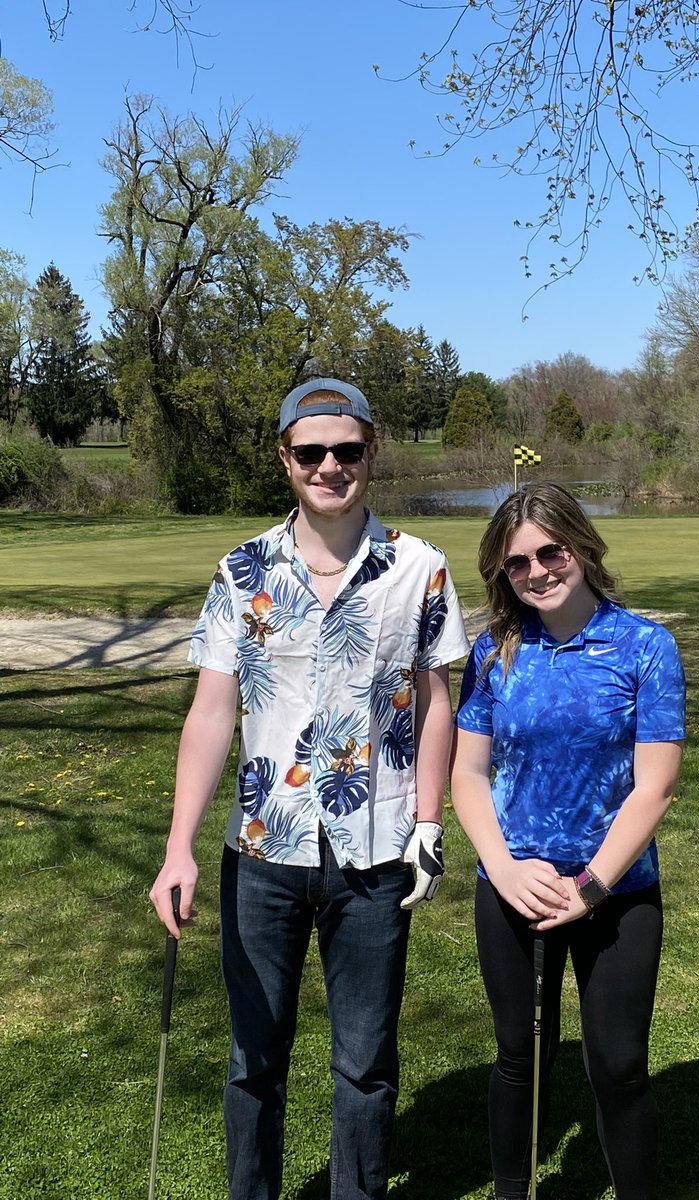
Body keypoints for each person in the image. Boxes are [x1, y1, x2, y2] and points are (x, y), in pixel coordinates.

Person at [149, 377, 470, 1200]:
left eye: (348, 450)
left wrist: (431, 822)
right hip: (261, 852)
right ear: (285, 458)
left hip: (376, 853)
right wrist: (177, 848)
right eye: (311, 452)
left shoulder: (419, 568)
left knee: (365, 1064)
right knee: (253, 1059)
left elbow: (437, 703)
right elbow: (212, 712)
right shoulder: (242, 569)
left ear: (371, 454)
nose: (331, 467)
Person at [451, 481, 685, 1200]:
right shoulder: (494, 652)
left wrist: (590, 889)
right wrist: (504, 868)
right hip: (513, 886)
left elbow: (655, 787)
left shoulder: (645, 647)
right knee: (521, 1056)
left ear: (581, 546)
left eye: (549, 552)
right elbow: (466, 771)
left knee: (618, 1065)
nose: (537, 572)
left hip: (615, 892)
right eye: (516, 564)